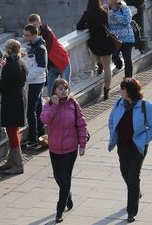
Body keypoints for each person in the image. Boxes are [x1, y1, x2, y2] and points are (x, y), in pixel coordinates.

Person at [108, 78, 152, 223]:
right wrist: (114, 134)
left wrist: (143, 139)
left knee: (133, 176)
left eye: (122, 89)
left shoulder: (145, 106)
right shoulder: (118, 103)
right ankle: (136, 191)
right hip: (122, 145)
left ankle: (131, 211)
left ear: (129, 91)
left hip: (137, 146)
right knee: (125, 172)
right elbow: (111, 121)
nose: (120, 91)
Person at [40, 79, 88, 223]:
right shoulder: (48, 105)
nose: (63, 91)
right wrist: (54, 106)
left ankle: (59, 211)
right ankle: (68, 195)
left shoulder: (73, 104)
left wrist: (82, 145)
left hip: (70, 148)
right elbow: (44, 119)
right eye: (60, 88)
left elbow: (82, 124)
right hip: (54, 148)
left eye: (65, 88)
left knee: (65, 178)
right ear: (54, 90)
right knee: (58, 176)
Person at [0, 39, 28, 175]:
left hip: (11, 102)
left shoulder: (10, 66)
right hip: (19, 100)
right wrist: (5, 67)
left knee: (12, 132)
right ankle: (11, 161)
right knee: (14, 131)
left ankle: (18, 164)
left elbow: (2, 87)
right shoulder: (20, 62)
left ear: (8, 50)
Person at [77, 0, 116, 100]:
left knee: (98, 56)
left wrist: (89, 25)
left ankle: (99, 65)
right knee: (108, 67)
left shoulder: (87, 13)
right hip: (106, 41)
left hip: (94, 43)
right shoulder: (104, 12)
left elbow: (79, 26)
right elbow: (107, 26)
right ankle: (106, 90)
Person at [28, 14, 70, 97]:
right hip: (52, 65)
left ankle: (67, 108)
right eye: (31, 26)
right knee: (50, 91)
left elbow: (45, 48)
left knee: (65, 89)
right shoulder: (35, 35)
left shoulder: (47, 32)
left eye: (35, 25)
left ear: (40, 23)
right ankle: (52, 109)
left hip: (63, 61)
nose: (34, 27)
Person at [22, 24, 48, 149]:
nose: (24, 37)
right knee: (37, 109)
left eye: (27, 35)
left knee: (30, 110)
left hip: (36, 82)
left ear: (34, 35)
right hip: (35, 81)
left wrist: (26, 76)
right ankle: (40, 134)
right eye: (24, 35)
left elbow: (42, 67)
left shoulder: (40, 47)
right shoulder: (35, 46)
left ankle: (33, 138)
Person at [104, 0, 135, 75]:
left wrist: (112, 14)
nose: (105, 2)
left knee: (127, 59)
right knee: (114, 56)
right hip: (115, 39)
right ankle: (119, 65)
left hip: (127, 38)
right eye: (104, 0)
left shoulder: (123, 7)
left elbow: (126, 21)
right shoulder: (107, 10)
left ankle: (128, 80)